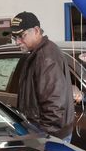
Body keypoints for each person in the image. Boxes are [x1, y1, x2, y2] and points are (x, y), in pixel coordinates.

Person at [10, 12, 75, 143]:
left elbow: (54, 104)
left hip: (50, 136)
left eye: (22, 36)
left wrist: (44, 139)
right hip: (46, 132)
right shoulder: (39, 54)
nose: (17, 42)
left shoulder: (45, 58)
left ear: (36, 30)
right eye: (14, 37)